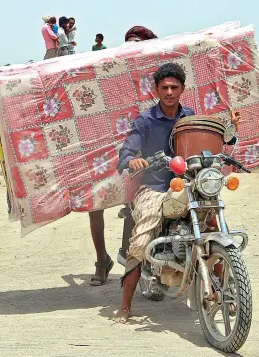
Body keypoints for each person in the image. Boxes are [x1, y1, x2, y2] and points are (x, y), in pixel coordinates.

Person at [114, 63, 240, 323]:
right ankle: (125, 305)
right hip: (156, 186)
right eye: (164, 87)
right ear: (157, 90)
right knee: (141, 238)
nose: (169, 92)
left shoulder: (190, 116)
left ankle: (227, 289)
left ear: (182, 89)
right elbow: (127, 150)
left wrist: (229, 133)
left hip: (187, 184)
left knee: (212, 223)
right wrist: (131, 160)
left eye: (174, 87)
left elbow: (207, 142)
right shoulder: (146, 120)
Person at [89, 26, 158, 287]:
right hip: (108, 144)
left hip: (140, 144)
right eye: (128, 42)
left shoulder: (156, 75)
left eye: (137, 43)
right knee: (94, 201)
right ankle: (101, 259)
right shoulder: (111, 69)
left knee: (138, 200)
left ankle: (134, 257)